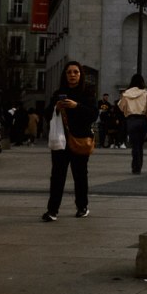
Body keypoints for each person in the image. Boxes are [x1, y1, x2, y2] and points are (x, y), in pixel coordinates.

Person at [43, 60, 96, 221]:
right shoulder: (58, 93)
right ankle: (52, 210)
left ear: (81, 75)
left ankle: (82, 206)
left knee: (80, 175)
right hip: (61, 141)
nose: (72, 75)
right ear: (65, 75)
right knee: (57, 175)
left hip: (79, 139)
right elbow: (47, 115)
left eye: (76, 72)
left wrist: (76, 106)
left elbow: (93, 115)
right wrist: (56, 108)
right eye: (69, 72)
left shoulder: (88, 93)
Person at [117, 74, 147, 174]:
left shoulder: (126, 94)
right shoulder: (146, 94)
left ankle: (135, 166)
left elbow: (121, 107)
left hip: (131, 120)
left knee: (134, 145)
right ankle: (139, 164)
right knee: (141, 144)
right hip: (142, 120)